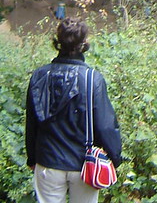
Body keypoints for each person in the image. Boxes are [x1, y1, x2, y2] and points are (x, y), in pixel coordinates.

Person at [26, 18, 122, 203]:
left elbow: (32, 122)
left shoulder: (39, 76)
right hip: (84, 165)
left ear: (57, 42)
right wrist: (114, 158)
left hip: (48, 161)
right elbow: (105, 126)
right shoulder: (92, 79)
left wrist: (32, 158)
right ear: (84, 44)